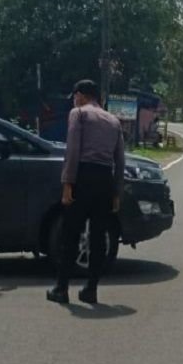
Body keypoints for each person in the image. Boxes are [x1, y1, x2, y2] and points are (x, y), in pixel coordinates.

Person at [47, 79, 125, 305]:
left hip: (83, 176)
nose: (74, 100)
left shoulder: (78, 114)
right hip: (105, 179)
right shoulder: (113, 121)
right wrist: (117, 191)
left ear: (81, 95)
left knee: (70, 233)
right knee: (98, 237)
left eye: (75, 96)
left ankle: (61, 288)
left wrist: (67, 182)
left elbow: (72, 150)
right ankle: (91, 288)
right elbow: (120, 160)